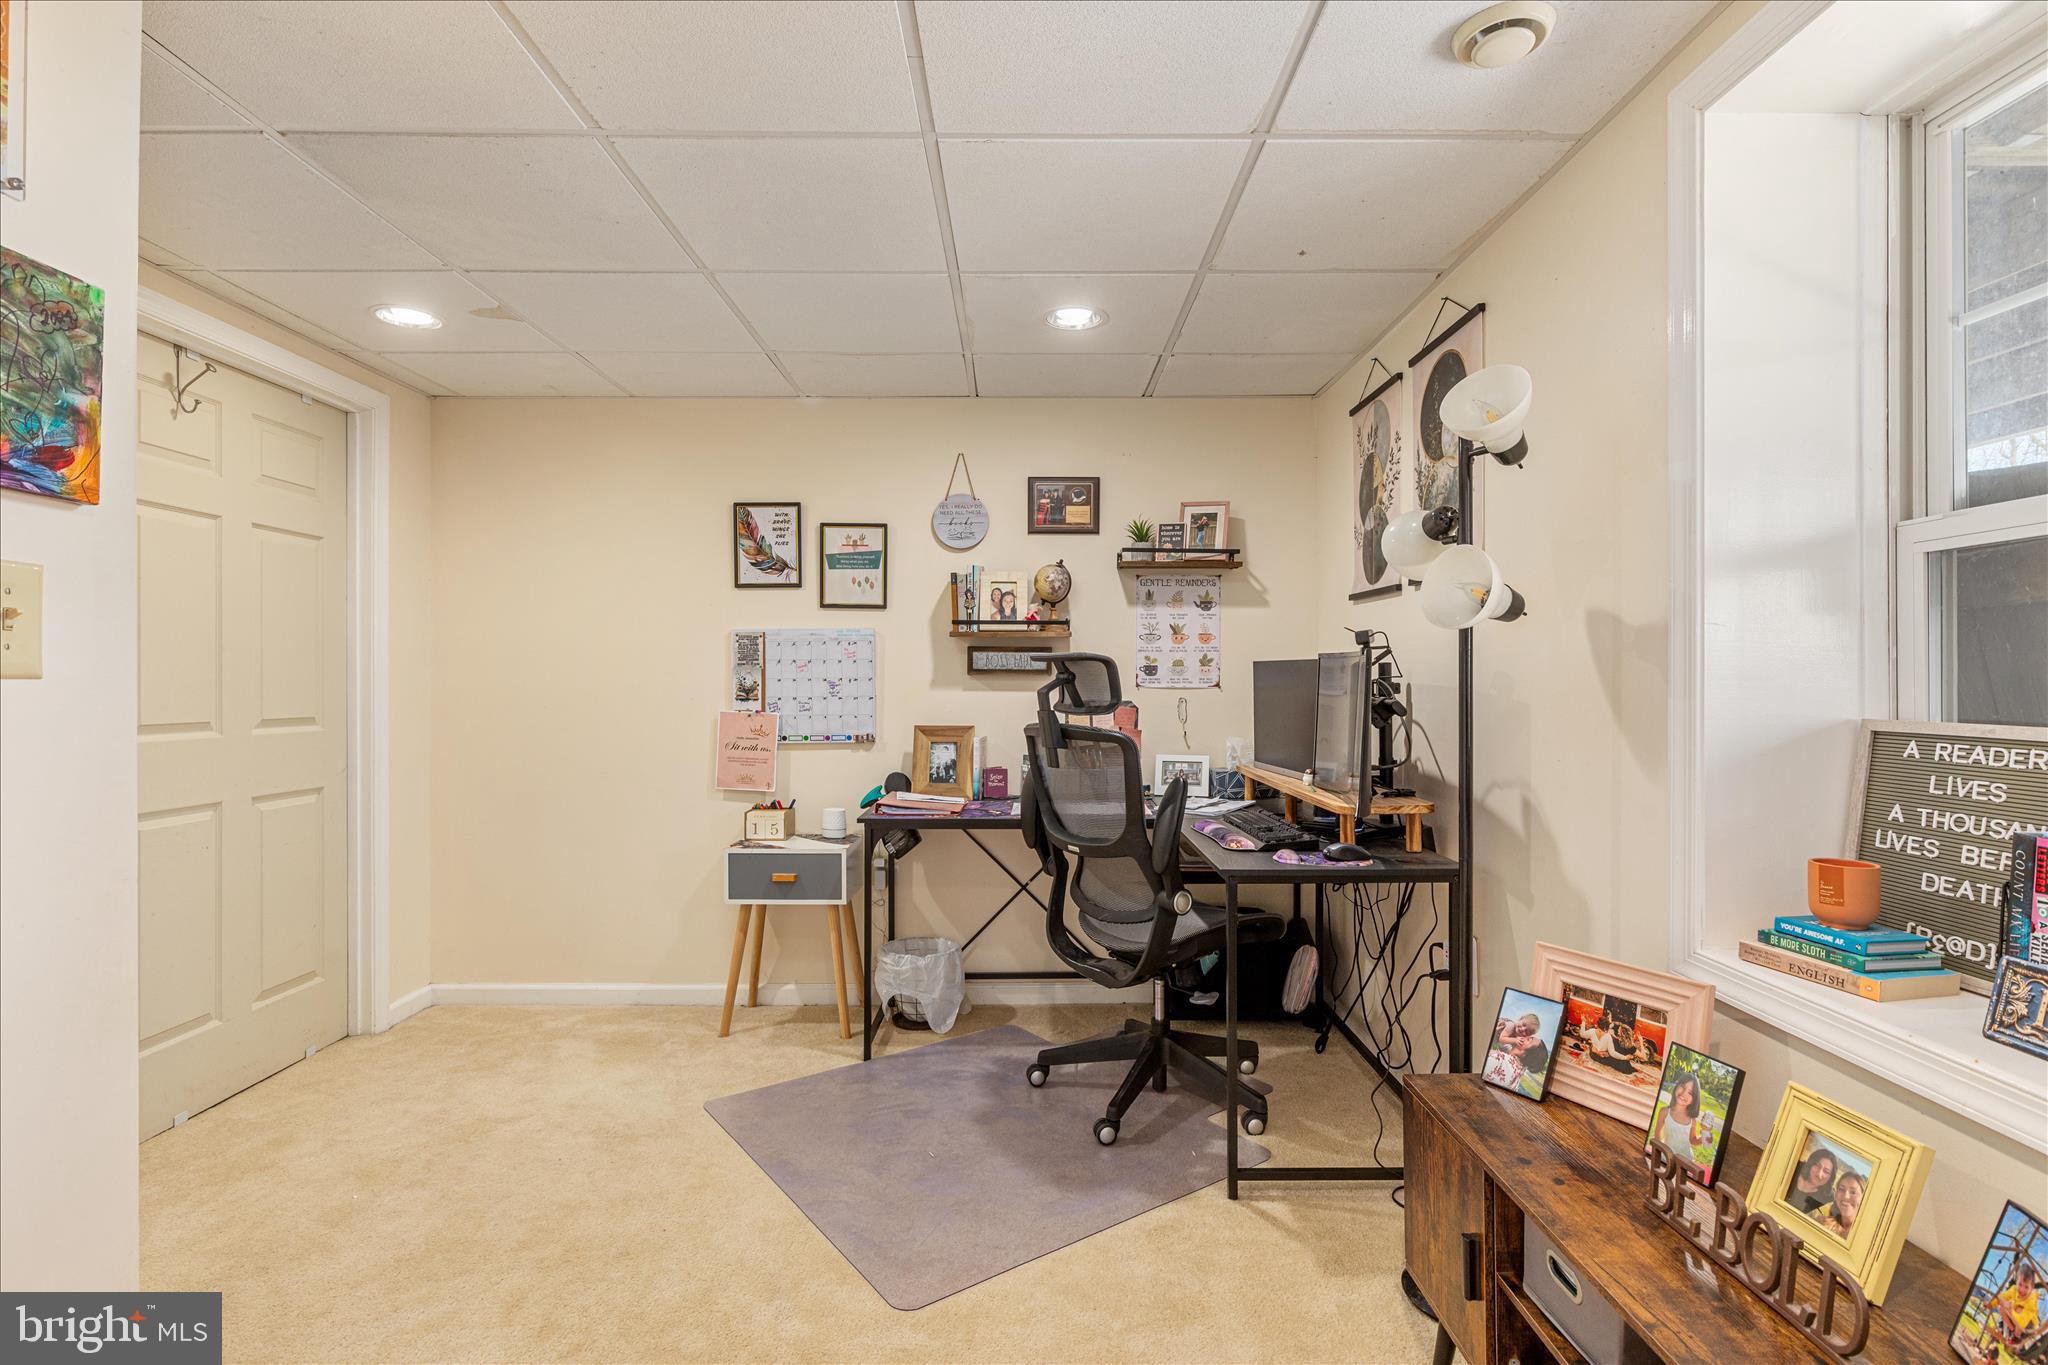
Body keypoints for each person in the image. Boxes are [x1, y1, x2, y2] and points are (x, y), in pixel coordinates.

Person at [1656, 1075, 1705, 1163]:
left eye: (1690, 1093)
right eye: (1682, 1087)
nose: (1684, 1094)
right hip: (1666, 1158)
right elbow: (1657, 1136)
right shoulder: (1664, 1112)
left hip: (1685, 1161)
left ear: (1694, 1100)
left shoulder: (1692, 1120)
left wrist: (1704, 1137)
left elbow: (1693, 1140)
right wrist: (1660, 1153)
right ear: (1676, 1086)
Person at [1788, 1148, 1839, 1215]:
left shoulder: (1828, 1197)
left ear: (1831, 1177)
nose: (1819, 1174)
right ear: (1811, 1164)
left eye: (1826, 1171)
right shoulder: (1794, 1169)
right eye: (1817, 1166)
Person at [1816, 1171, 1865, 1237]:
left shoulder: (1862, 1235)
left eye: (1853, 1192)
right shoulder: (1821, 1223)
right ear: (1836, 1194)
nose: (1846, 1196)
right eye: (1842, 1189)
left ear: (1863, 1198)